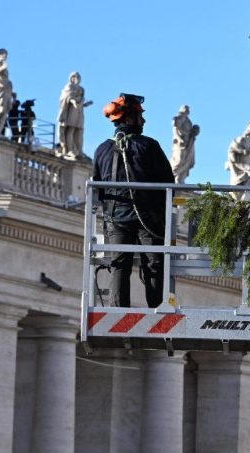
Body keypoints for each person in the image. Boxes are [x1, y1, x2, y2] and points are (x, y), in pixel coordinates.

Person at [92, 93, 175, 308]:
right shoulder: (149, 146)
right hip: (147, 219)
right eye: (140, 116)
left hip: (115, 218)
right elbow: (169, 184)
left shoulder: (101, 149)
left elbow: (97, 187)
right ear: (129, 118)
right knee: (154, 263)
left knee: (119, 264)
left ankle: (117, 311)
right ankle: (159, 309)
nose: (143, 121)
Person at [58, 72, 90, 158]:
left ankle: (78, 150)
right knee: (70, 129)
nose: (77, 79)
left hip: (79, 112)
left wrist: (86, 104)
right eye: (75, 77)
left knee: (78, 131)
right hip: (71, 112)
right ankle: (70, 149)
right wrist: (73, 101)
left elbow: (81, 101)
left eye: (78, 77)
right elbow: (66, 97)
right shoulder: (69, 86)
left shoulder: (81, 89)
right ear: (72, 78)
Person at [170, 105, 198, 183]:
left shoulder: (188, 121)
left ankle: (180, 179)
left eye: (187, 110)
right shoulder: (179, 117)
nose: (187, 111)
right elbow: (175, 124)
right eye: (185, 109)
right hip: (180, 144)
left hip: (188, 144)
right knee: (178, 161)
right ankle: (172, 176)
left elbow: (191, 131)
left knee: (187, 162)